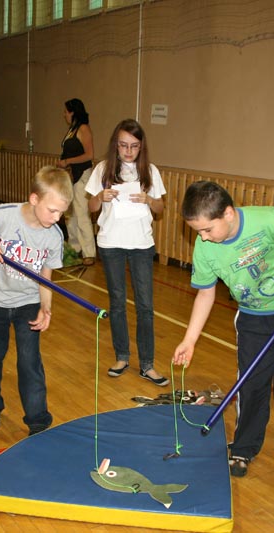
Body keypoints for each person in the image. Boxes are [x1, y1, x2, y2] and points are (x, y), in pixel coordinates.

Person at [171, 181, 274, 485]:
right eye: (198, 232)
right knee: (251, 385)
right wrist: (189, 340)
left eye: (207, 229)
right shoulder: (206, 248)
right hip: (252, 319)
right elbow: (205, 293)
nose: (203, 237)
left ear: (228, 214)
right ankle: (244, 448)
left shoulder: (265, 220)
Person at [0, 166, 72, 435]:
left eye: (61, 213)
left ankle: (37, 420)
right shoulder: (3, 214)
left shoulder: (54, 236)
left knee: (30, 361)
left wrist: (46, 308)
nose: (56, 218)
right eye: (52, 210)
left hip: (28, 303)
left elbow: (46, 278)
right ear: (34, 199)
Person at [85, 119, 168, 386]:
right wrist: (101, 197)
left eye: (134, 146)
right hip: (111, 243)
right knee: (117, 303)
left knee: (145, 306)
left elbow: (160, 209)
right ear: (115, 145)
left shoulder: (150, 171)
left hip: (141, 245)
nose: (128, 151)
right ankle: (122, 357)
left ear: (141, 146)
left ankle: (147, 364)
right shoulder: (103, 169)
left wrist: (149, 200)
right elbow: (91, 207)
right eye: (123, 145)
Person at [58, 98, 96, 266]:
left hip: (82, 176)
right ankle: (75, 248)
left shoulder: (83, 128)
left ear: (73, 112)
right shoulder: (71, 130)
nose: (64, 114)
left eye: (66, 111)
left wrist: (67, 161)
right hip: (71, 176)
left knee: (81, 213)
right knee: (70, 214)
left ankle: (89, 252)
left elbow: (89, 155)